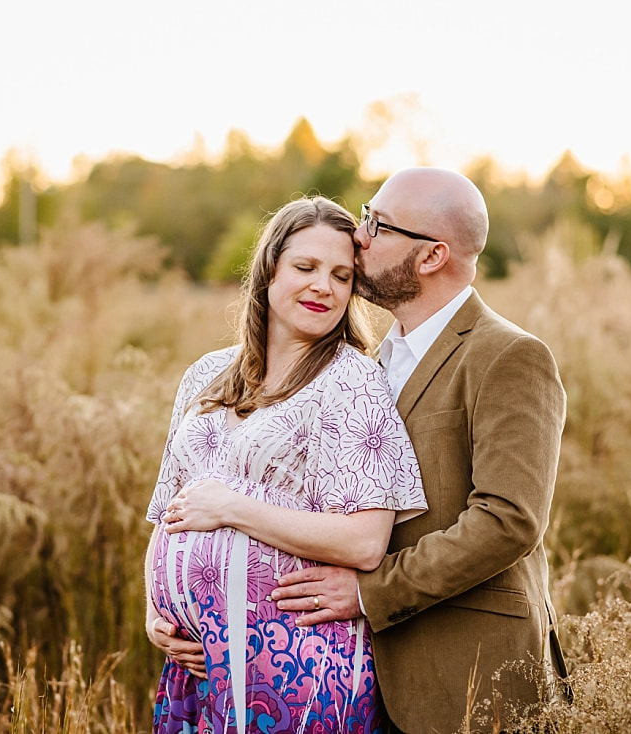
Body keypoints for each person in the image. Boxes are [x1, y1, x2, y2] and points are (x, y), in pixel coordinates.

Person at [269, 168, 570, 733]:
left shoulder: (509, 357)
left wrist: (369, 591)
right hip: (363, 678)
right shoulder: (371, 363)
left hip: (472, 677)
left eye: (377, 225)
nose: (358, 237)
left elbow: (509, 521)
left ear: (432, 257)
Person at [143, 195, 427, 734]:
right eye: (306, 267)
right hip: (196, 667)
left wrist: (232, 509)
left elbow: (366, 541)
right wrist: (157, 614)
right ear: (269, 269)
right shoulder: (204, 374)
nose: (324, 286)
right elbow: (168, 512)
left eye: (342, 276)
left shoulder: (352, 382)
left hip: (296, 664)